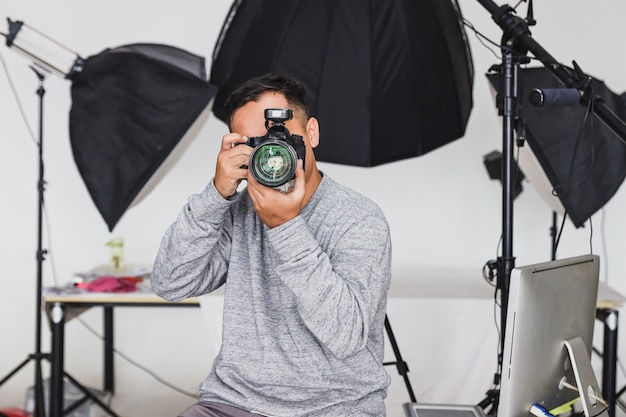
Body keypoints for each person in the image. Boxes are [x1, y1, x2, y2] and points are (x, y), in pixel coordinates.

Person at [151, 73, 393, 417]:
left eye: (279, 136)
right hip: (235, 402)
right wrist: (215, 195)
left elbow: (346, 337)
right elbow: (169, 283)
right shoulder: (238, 210)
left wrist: (286, 227)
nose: (272, 153)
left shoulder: (358, 218)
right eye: (254, 143)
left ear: (311, 133)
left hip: (336, 407)